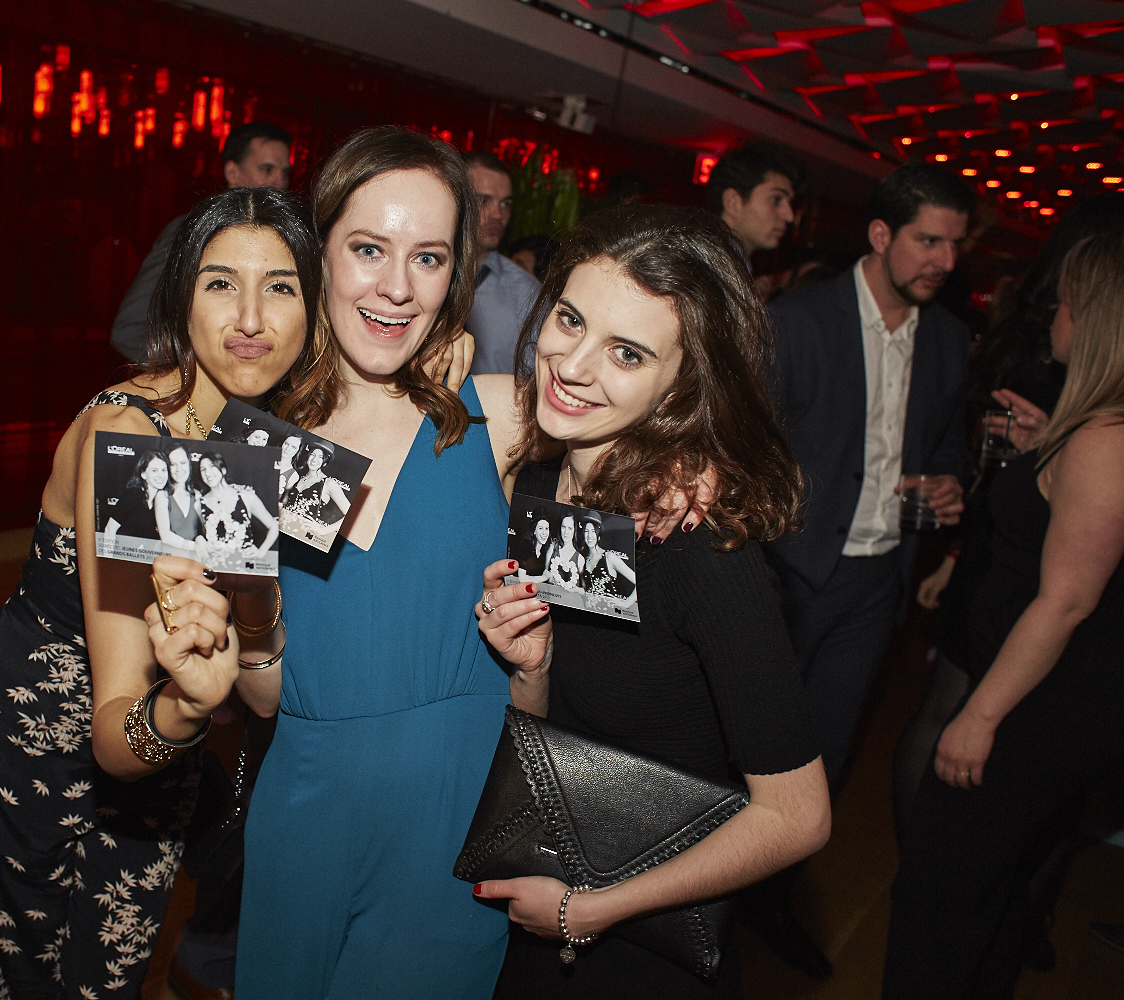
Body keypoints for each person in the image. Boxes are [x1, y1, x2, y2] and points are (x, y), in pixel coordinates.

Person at [145, 127, 706, 1000]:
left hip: (454, 823)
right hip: (305, 815)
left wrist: (688, 461)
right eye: (368, 248)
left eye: (430, 257)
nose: (398, 288)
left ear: (458, 275)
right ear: (317, 250)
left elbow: (638, 393)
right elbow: (259, 700)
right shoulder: (242, 447)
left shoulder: (499, 419)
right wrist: (249, 621)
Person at [0, 185, 324, 1000]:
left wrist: (253, 611)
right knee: (38, 981)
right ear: (181, 298)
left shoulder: (283, 444)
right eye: (220, 282)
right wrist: (187, 710)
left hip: (169, 737)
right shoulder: (132, 432)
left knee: (112, 978)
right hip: (45, 726)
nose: (251, 316)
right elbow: (117, 733)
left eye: (282, 286)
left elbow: (259, 692)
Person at [472, 204, 830, 999]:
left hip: (631, 942)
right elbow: (552, 729)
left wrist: (590, 910)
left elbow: (798, 816)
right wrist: (530, 668)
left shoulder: (700, 545)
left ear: (683, 380)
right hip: (533, 879)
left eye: (627, 353)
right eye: (570, 318)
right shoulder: (534, 476)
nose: (573, 364)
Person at [883, 230, 1124, 999]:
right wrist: (1047, 445)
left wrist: (978, 716)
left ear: (1093, 315)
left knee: (940, 894)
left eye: (1065, 300)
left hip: (1035, 710)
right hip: (1055, 701)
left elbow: (1068, 598)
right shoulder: (1091, 431)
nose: (1052, 310)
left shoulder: (1104, 439)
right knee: (988, 894)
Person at [754, 162, 972, 978]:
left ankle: (772, 899)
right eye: (928, 241)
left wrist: (952, 485)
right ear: (882, 237)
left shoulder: (949, 340)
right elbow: (749, 445)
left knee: (825, 751)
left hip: (877, 580)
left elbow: (946, 443)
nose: (944, 262)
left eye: (955, 245)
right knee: (740, 743)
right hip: (781, 571)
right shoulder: (799, 320)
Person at [110, 122, 294, 363]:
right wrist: (196, 379)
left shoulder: (292, 238)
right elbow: (129, 329)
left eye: (285, 173)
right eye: (267, 169)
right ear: (232, 173)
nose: (279, 181)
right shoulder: (190, 232)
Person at [464, 150, 542, 376]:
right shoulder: (421, 270)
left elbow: (529, 385)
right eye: (483, 201)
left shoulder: (527, 295)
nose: (498, 214)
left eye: (505, 203)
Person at [705, 141, 805, 256]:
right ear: (732, 202)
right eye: (776, 200)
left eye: (790, 203)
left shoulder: (725, 265)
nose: (789, 216)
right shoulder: (697, 266)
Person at [195, 450, 278, 563]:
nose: (207, 473)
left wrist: (261, 551)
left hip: (244, 565)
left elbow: (274, 526)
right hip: (215, 565)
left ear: (223, 470)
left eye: (212, 466)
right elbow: (198, 532)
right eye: (203, 469)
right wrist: (198, 538)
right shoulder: (200, 503)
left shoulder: (246, 497)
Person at [281, 439, 351, 532]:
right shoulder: (299, 478)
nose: (314, 460)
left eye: (320, 457)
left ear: (325, 461)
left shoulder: (328, 483)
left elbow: (351, 515)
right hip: (283, 528)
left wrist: (324, 531)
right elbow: (284, 502)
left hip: (303, 535)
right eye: (312, 455)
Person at [155, 442, 208, 556]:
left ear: (189, 463)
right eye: (173, 464)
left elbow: (204, 531)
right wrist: (194, 546)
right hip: (171, 560)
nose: (179, 469)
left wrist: (199, 538)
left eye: (183, 463)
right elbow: (165, 536)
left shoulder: (197, 495)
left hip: (196, 559)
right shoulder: (163, 495)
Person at [577, 511, 635, 601]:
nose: (589, 536)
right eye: (586, 531)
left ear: (598, 534)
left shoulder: (609, 557)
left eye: (593, 531)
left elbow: (636, 581)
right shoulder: (583, 559)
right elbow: (585, 590)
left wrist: (626, 603)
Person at [514, 508, 556, 583]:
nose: (544, 533)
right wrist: (543, 578)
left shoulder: (544, 551)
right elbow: (522, 578)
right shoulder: (525, 546)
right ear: (534, 531)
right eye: (540, 528)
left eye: (546, 529)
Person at [548, 512, 584, 592]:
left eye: (570, 528)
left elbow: (584, 590)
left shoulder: (580, 558)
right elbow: (545, 576)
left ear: (574, 530)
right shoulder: (553, 548)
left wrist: (575, 589)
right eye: (563, 527)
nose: (566, 532)